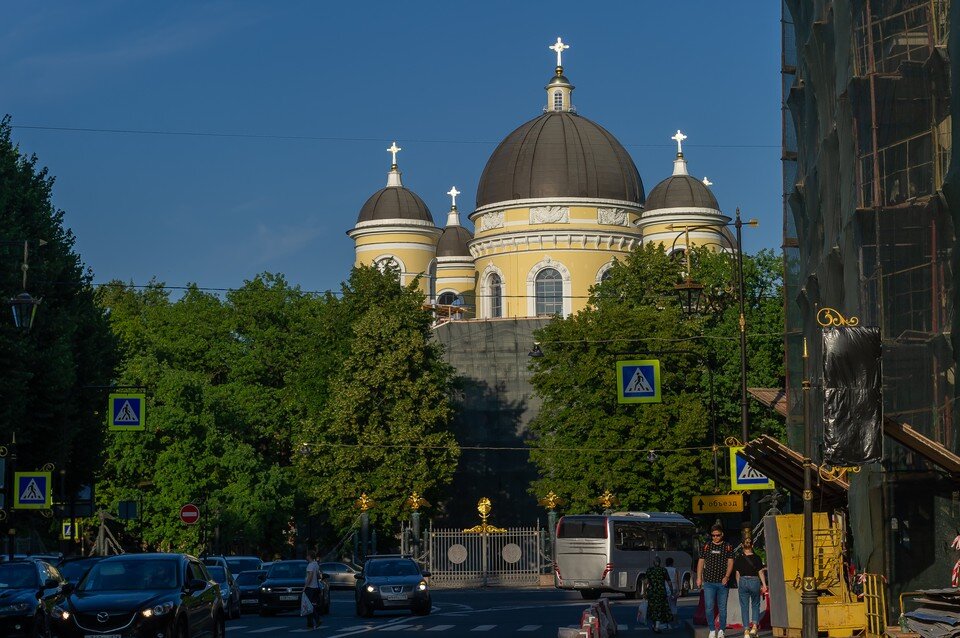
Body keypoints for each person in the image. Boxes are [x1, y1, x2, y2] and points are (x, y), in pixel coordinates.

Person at [697, 524, 735, 638]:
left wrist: (727, 576)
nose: (715, 537)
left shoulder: (728, 546)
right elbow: (701, 562)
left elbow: (731, 562)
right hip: (709, 582)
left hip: (723, 583)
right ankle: (712, 629)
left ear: (722, 534)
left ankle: (722, 630)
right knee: (709, 606)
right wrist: (699, 577)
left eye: (717, 535)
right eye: (713, 535)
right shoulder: (707, 546)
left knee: (722, 607)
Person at [734, 536, 767, 638]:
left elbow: (737, 574)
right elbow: (760, 572)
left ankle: (746, 631)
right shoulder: (757, 558)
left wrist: (740, 585)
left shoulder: (739, 558)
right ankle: (754, 628)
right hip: (754, 581)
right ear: (752, 545)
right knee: (755, 605)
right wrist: (764, 585)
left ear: (742, 546)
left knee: (744, 607)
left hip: (743, 581)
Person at [644, 556, 674, 632]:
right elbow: (669, 582)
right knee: (660, 610)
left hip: (652, 592)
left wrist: (645, 592)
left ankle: (655, 625)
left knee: (653, 609)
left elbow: (646, 582)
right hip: (661, 593)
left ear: (653, 563)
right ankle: (656, 626)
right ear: (660, 563)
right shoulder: (663, 570)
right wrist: (672, 591)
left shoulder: (649, 570)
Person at [303, 551, 322, 629]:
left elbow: (310, 577)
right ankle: (310, 623)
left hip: (310, 588)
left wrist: (305, 586)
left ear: (309, 556)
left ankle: (316, 620)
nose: (306, 557)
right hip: (315, 587)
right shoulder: (316, 564)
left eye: (307, 556)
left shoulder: (310, 565)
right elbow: (318, 575)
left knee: (308, 606)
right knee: (312, 605)